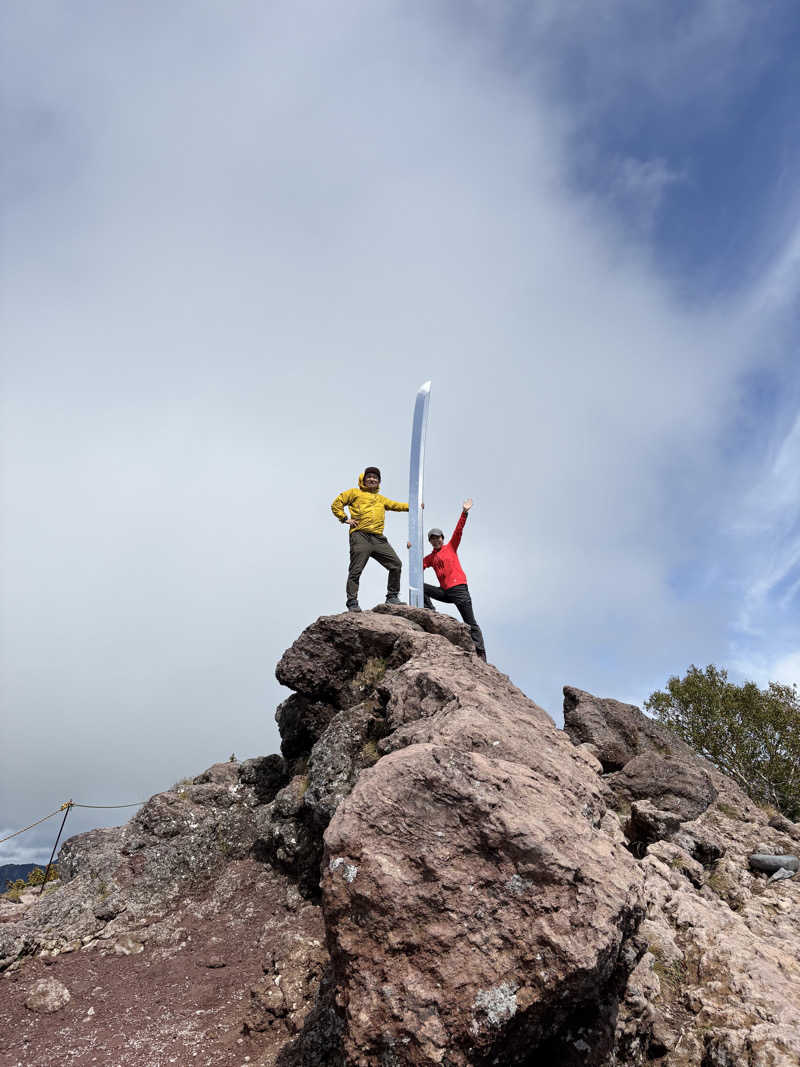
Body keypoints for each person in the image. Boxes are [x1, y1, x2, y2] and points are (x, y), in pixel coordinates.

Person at [331, 467, 409, 613]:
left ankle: (392, 596)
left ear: (379, 481)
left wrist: (414, 506)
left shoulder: (380, 499)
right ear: (364, 479)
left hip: (378, 538)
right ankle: (352, 602)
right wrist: (344, 518)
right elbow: (337, 503)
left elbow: (396, 505)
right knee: (356, 570)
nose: (372, 479)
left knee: (396, 565)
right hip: (360, 535)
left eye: (375, 478)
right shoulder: (354, 492)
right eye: (370, 477)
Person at [423, 498, 486, 660]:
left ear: (442, 538)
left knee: (470, 622)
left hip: (459, 589)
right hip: (445, 592)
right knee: (420, 586)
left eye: (438, 538)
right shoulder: (430, 557)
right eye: (433, 538)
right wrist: (410, 548)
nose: (436, 540)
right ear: (430, 542)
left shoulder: (450, 547)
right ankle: (430, 610)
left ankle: (480, 653)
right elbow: (417, 566)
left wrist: (464, 512)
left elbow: (458, 530)